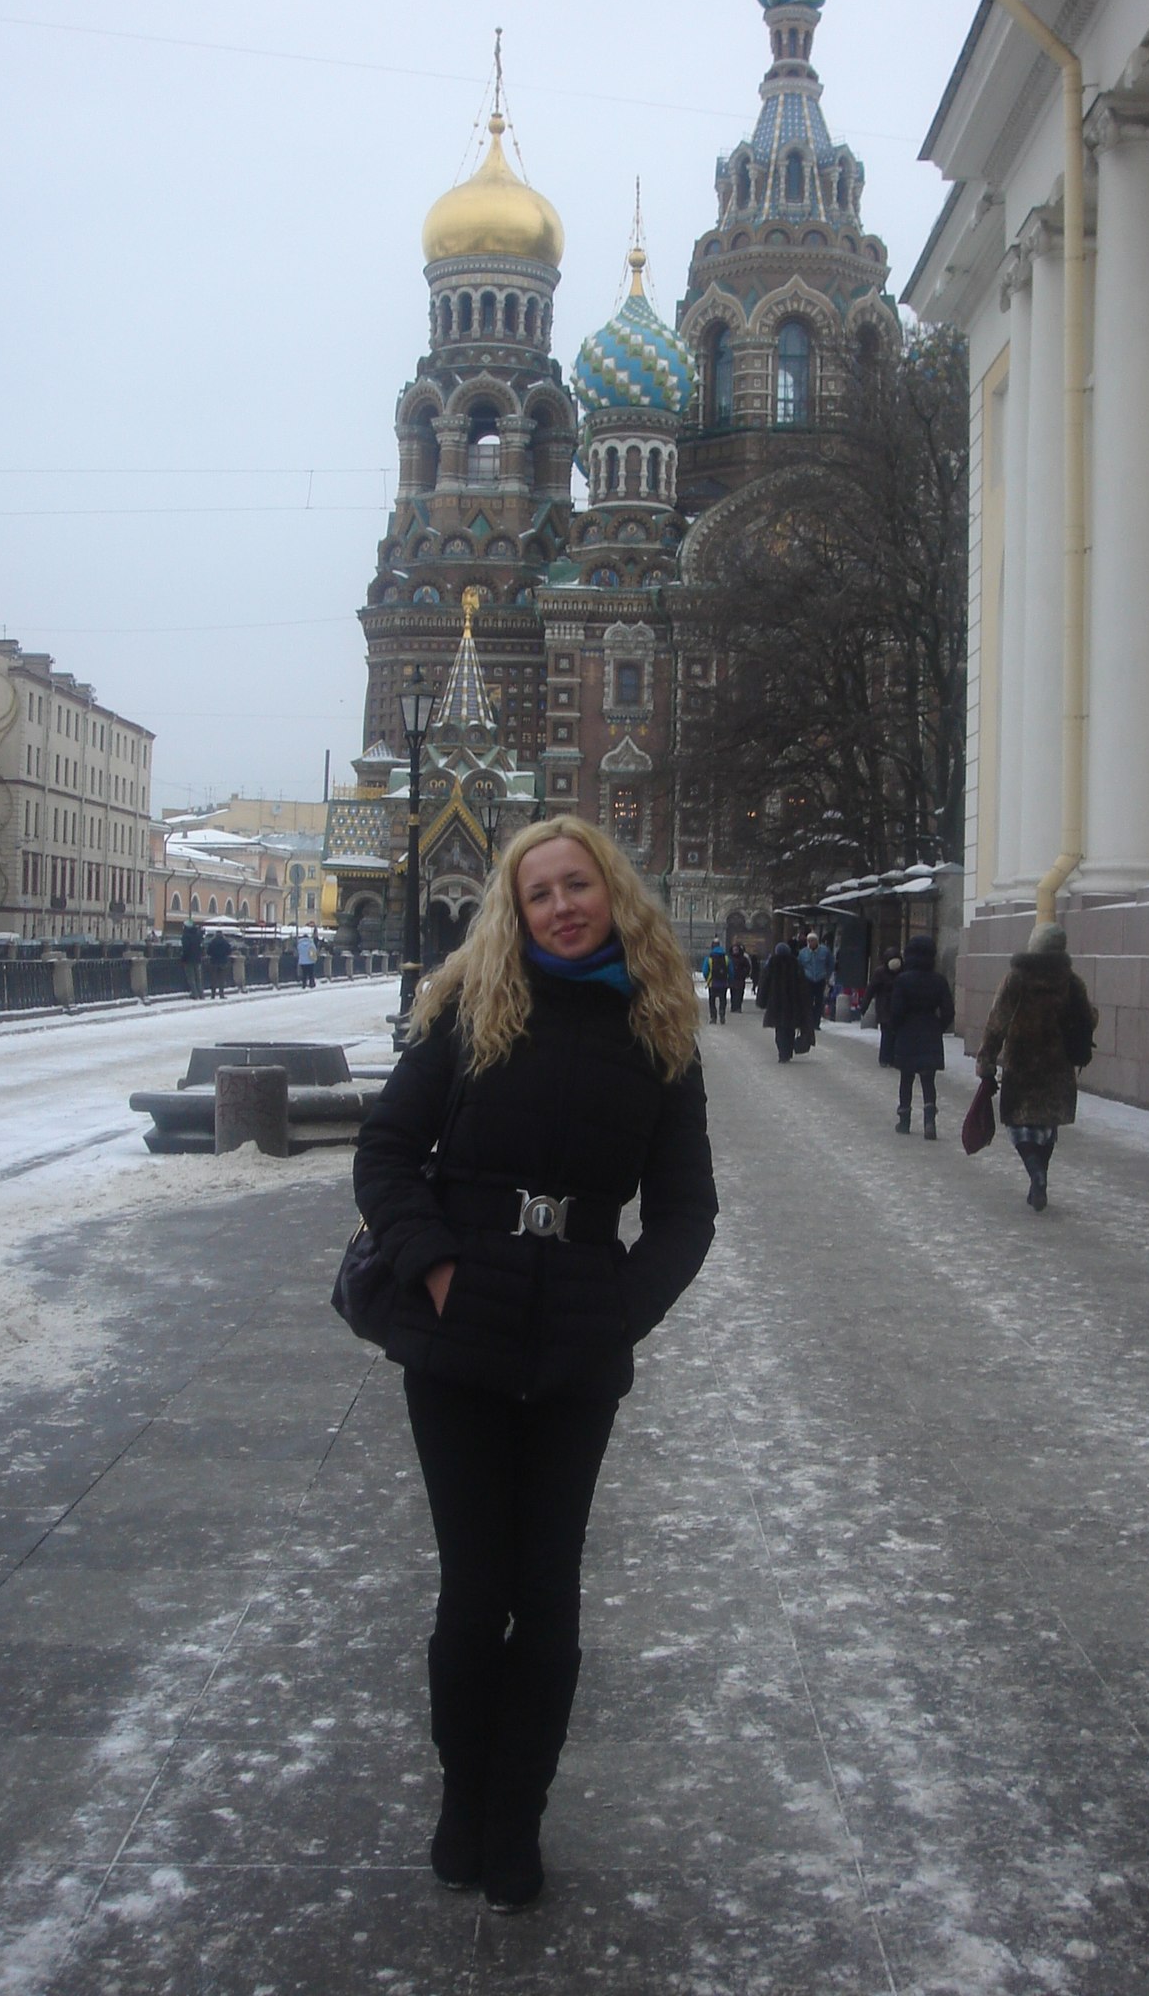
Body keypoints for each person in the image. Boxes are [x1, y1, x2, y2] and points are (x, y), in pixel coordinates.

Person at [352, 816, 717, 1911]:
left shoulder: (659, 1026)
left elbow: (686, 1213)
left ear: (614, 894)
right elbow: (386, 1152)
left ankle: (518, 1817)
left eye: (578, 885)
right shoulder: (470, 1007)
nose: (562, 906)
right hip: (457, 1334)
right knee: (475, 1589)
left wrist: (618, 1316)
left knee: (548, 1593)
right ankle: (462, 1800)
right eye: (540, 892)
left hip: (575, 1348)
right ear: (513, 910)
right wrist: (433, 1268)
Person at [975, 921, 1098, 1211]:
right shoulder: (1071, 981)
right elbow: (1088, 1019)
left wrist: (986, 1059)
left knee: (1019, 1124)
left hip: (1022, 1061)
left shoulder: (1017, 978)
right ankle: (1040, 1175)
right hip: (1058, 1063)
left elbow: (997, 1021)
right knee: (1046, 1124)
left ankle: (1035, 1172)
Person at [888, 935, 955, 1139]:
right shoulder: (939, 981)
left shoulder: (902, 980)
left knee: (906, 1079)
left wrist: (896, 1029)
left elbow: (896, 1011)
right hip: (930, 1032)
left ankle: (904, 1120)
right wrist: (938, 1027)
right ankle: (929, 1121)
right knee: (928, 1080)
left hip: (907, 1033)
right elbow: (948, 1011)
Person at [755, 940, 813, 1063]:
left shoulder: (771, 964)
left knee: (779, 1029)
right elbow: (802, 985)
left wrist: (761, 1000)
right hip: (793, 1002)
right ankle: (788, 1051)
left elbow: (764, 983)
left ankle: (782, 1053)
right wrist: (805, 1002)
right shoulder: (795, 964)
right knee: (790, 1028)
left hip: (776, 1002)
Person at [863, 951, 903, 1067]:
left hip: (897, 1007)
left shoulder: (903, 972)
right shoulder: (880, 973)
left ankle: (892, 1058)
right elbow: (871, 989)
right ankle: (885, 1058)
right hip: (884, 1006)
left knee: (895, 1033)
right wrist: (864, 1005)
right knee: (887, 1033)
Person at [797, 931, 834, 1034]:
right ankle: (808, 1022)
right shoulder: (803, 953)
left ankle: (816, 1023)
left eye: (813, 940)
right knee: (807, 1002)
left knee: (819, 1001)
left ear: (817, 941)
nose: (811, 943)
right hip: (807, 979)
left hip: (820, 979)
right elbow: (799, 965)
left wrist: (827, 975)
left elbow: (831, 963)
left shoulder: (825, 951)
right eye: (809, 941)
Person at [700, 937, 730, 1024]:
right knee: (723, 999)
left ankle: (713, 1017)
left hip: (712, 983)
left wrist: (707, 979)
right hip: (723, 983)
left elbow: (705, 971)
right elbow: (731, 971)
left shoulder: (709, 958)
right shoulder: (726, 958)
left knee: (712, 1000)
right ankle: (722, 1013)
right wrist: (729, 980)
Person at [180, 918, 205, 1000]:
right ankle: (201, 994)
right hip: (198, 959)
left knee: (191, 978)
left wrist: (183, 958)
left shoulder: (185, 936)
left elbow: (186, 949)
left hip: (189, 959)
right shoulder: (197, 934)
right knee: (198, 978)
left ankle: (195, 994)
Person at [204, 927, 233, 998]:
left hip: (213, 962)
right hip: (223, 962)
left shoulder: (212, 942)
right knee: (221, 980)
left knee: (213, 979)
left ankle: (213, 995)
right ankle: (221, 994)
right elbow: (229, 952)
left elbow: (208, 952)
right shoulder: (225, 942)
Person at [728, 943, 751, 1014]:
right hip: (732, 978)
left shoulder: (743, 959)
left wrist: (744, 974)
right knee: (733, 993)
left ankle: (738, 1007)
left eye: (736, 950)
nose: (735, 951)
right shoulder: (730, 958)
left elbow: (748, 967)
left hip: (740, 979)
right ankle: (733, 1006)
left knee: (740, 993)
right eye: (734, 950)